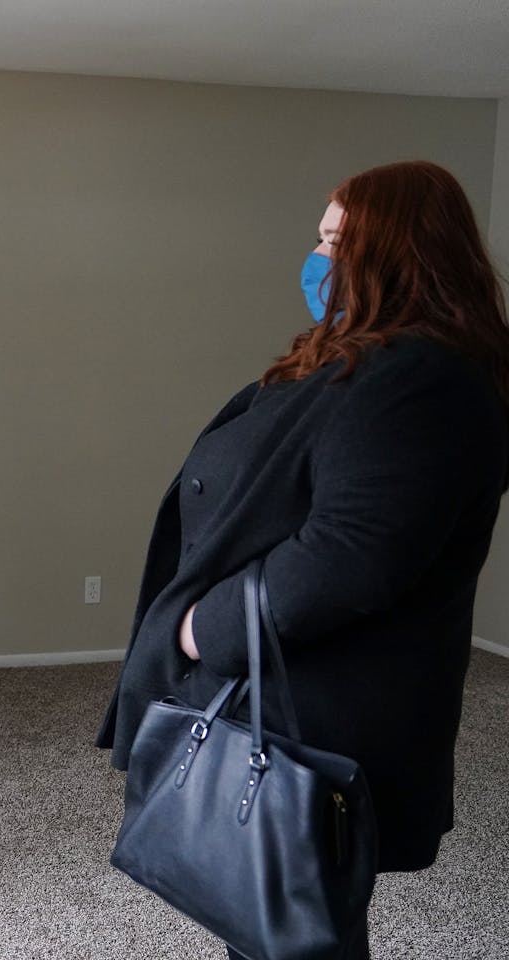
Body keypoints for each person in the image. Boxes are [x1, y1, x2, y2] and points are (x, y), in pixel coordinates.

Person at [97, 160, 509, 959]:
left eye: (335, 240)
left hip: (316, 703)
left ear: (399, 251)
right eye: (318, 237)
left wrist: (197, 631)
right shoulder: (361, 357)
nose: (318, 257)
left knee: (292, 926)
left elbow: (349, 555)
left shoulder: (420, 378)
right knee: (264, 916)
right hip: (283, 686)